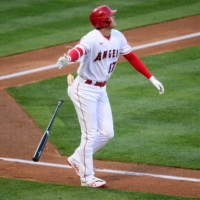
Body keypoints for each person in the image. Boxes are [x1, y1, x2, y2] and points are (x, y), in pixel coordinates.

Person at [57, 5, 164, 188]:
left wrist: (151, 77)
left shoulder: (118, 37)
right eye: (110, 16)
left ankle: (77, 158)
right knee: (89, 135)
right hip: (84, 90)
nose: (114, 17)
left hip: (101, 90)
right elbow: (79, 50)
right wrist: (68, 58)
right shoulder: (91, 38)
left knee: (107, 133)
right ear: (104, 21)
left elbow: (131, 57)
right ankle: (86, 177)